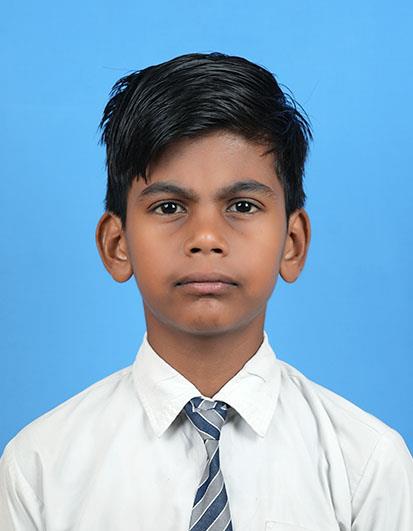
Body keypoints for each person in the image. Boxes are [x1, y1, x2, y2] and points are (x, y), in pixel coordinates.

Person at [0, 52, 412, 531]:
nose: (206, 237)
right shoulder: (40, 469)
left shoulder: (366, 467)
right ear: (117, 245)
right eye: (169, 206)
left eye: (242, 205)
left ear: (292, 243)